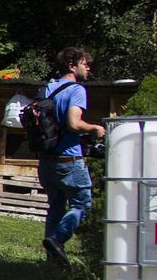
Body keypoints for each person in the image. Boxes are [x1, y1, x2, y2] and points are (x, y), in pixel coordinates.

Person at [38, 46, 106, 267]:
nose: (88, 68)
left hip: (46, 161)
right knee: (82, 205)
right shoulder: (76, 90)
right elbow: (73, 123)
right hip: (69, 161)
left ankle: (53, 263)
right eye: (84, 64)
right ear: (71, 65)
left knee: (56, 208)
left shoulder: (47, 88)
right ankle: (57, 240)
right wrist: (94, 128)